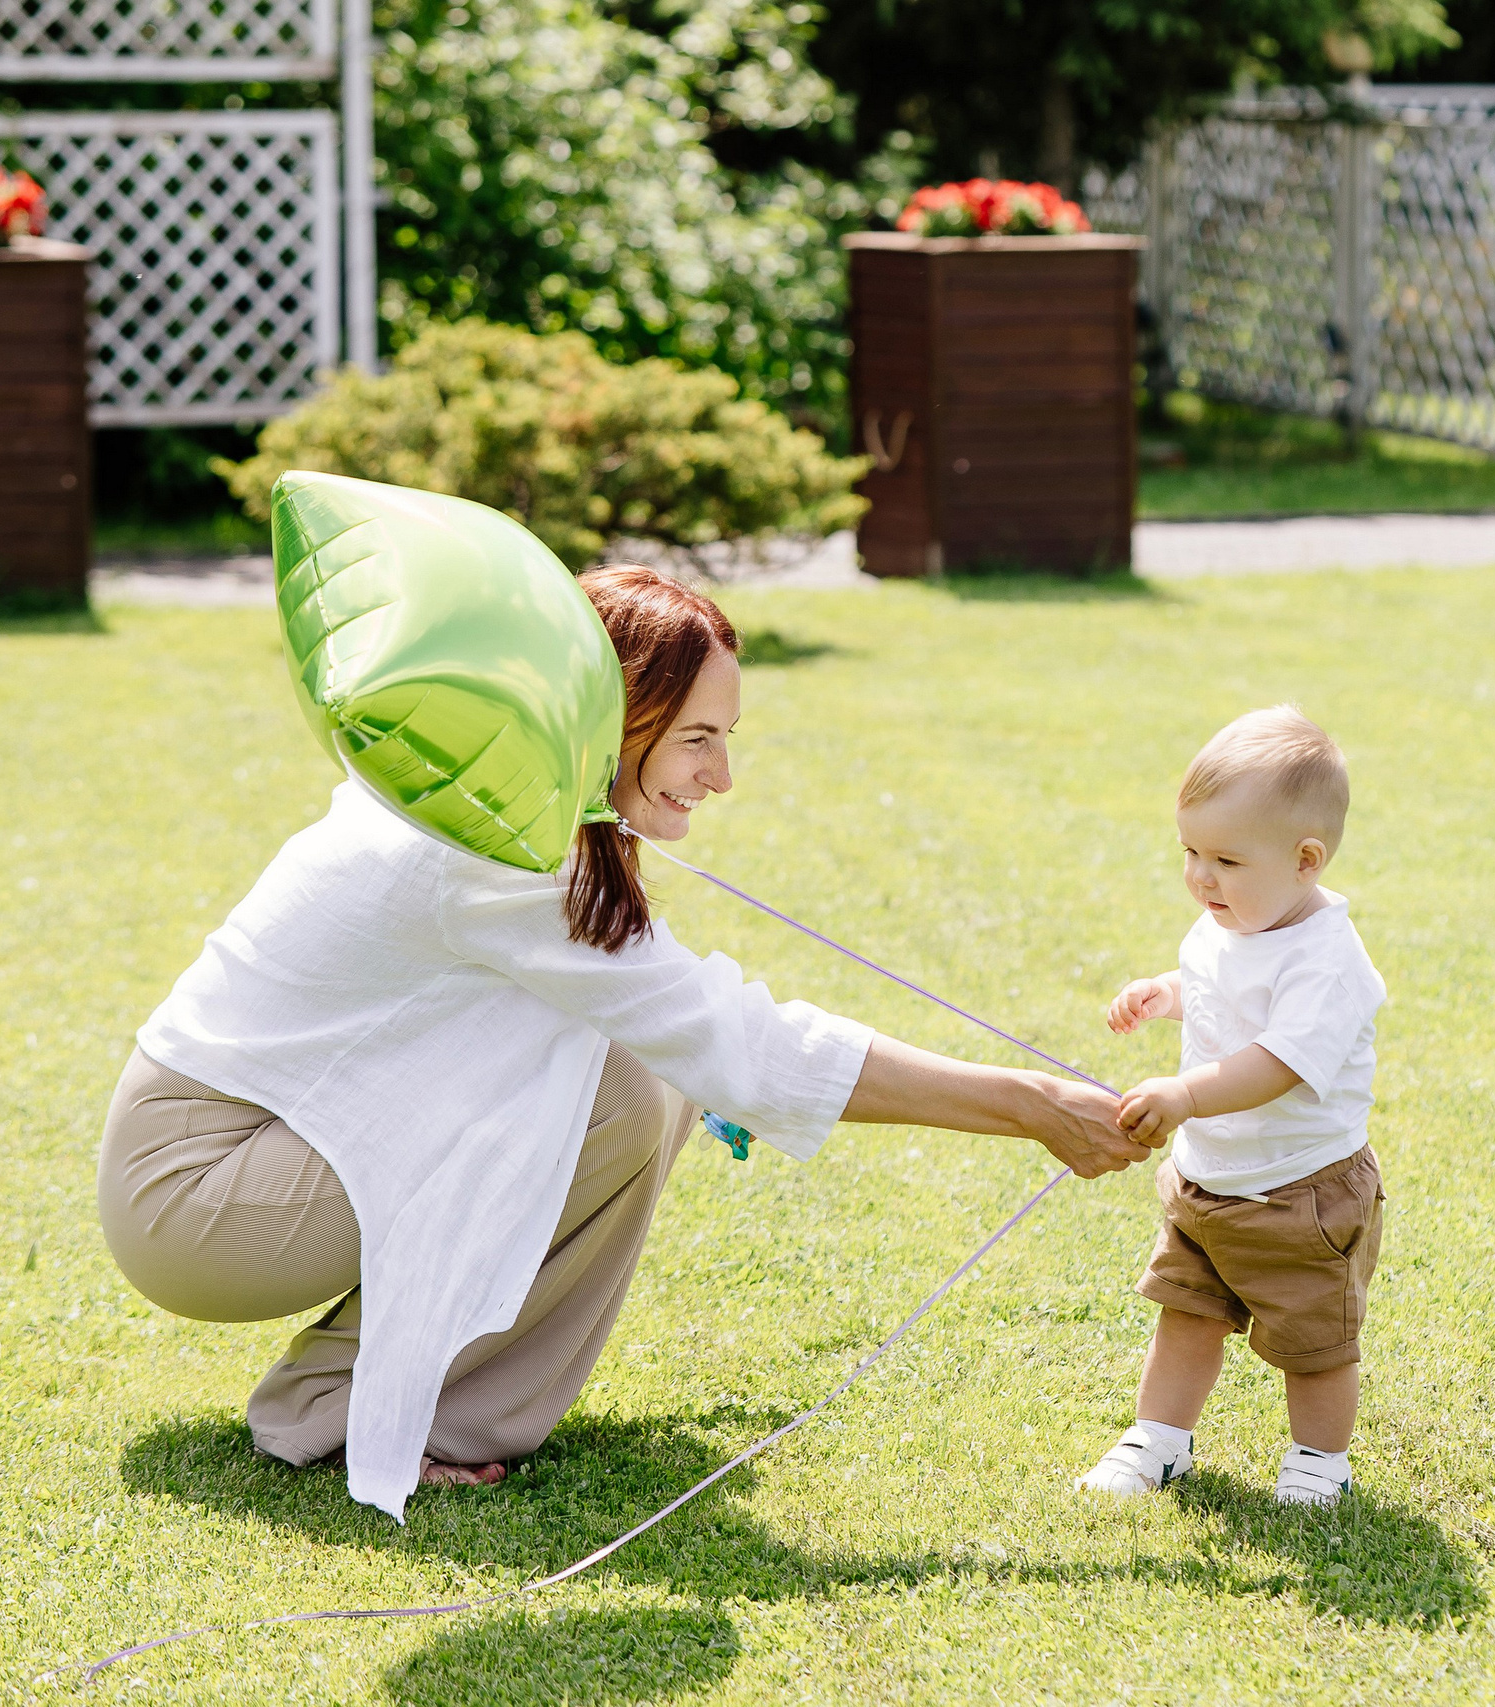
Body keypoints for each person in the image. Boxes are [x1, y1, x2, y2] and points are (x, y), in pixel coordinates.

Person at [95, 565, 1148, 1519]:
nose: (721, 776)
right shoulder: (498, 848)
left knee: (641, 1074)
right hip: (201, 1194)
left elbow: (682, 1021)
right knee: (632, 1090)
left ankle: (374, 1387)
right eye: (698, 738)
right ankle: (366, 1405)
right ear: (619, 718)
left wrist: (711, 1068)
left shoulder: (504, 797)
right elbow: (734, 1039)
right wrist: (1027, 1105)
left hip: (238, 1160)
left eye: (726, 739)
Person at [1075, 707, 1388, 1511]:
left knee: (1314, 1343)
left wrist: (1181, 1095)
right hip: (1209, 1181)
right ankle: (1160, 1437)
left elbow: (1277, 1062)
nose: (1199, 877)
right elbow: (1222, 989)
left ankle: (1320, 1459)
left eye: (1223, 859)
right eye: (1189, 851)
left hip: (1301, 1192)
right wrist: (1166, 994)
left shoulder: (1327, 960)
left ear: (1305, 860)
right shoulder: (1235, 915)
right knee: (1185, 1313)